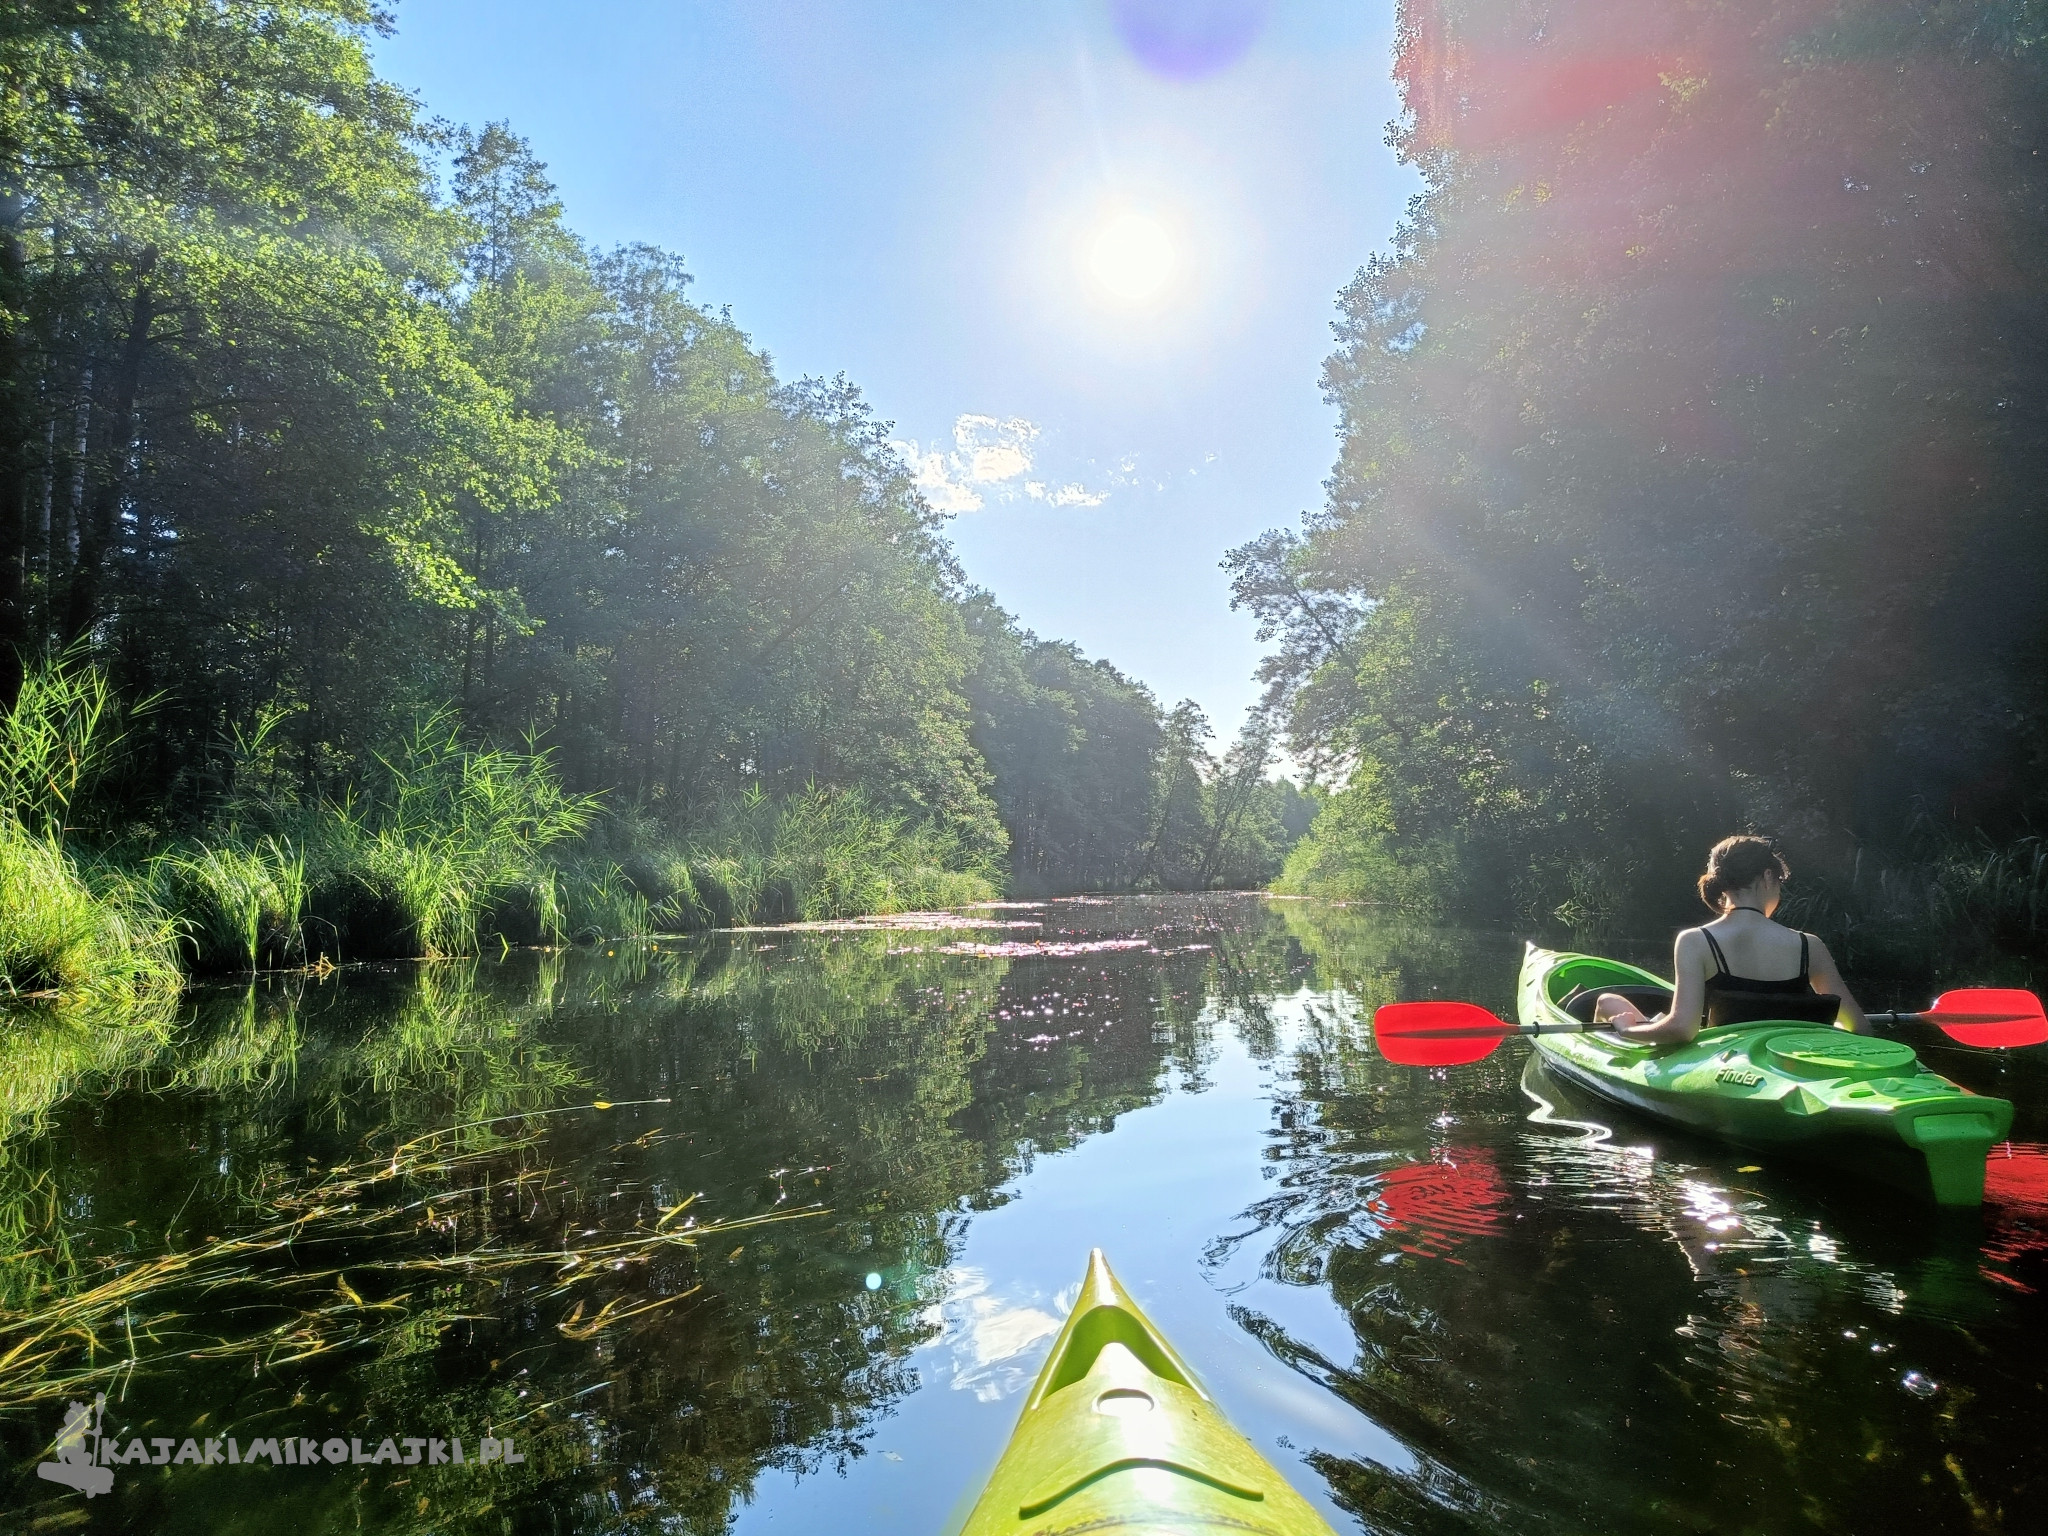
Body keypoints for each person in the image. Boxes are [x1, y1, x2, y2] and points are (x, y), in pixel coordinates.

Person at [1591, 836, 1869, 1044]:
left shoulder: (1695, 941)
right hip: (1789, 1057)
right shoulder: (1810, 945)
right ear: (1768, 876)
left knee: (1607, 1002)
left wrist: (1626, 1029)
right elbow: (1859, 1028)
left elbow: (1682, 1029)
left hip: (1724, 1063)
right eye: (1781, 880)